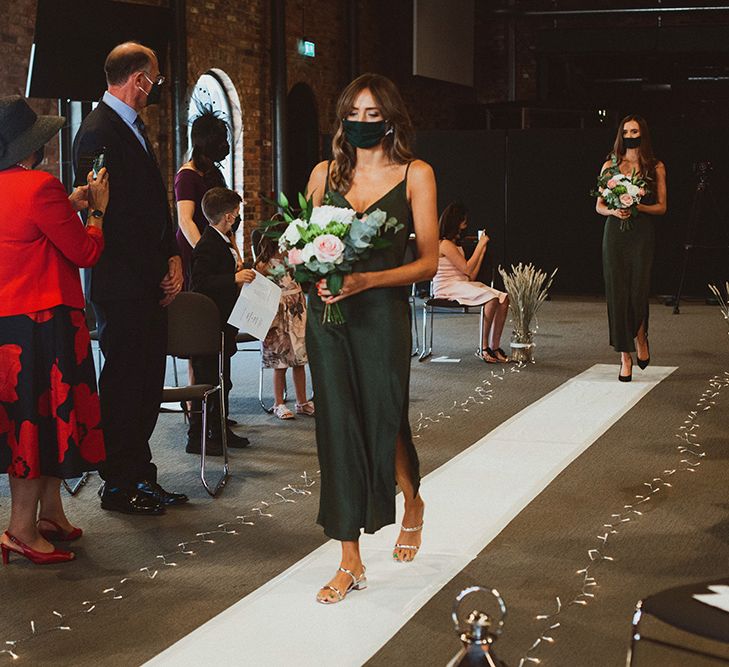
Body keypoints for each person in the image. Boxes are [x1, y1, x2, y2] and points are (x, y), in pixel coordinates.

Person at [305, 73, 438, 604]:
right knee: (338, 426)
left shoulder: (416, 174)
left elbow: (427, 261)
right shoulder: (322, 174)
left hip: (381, 315)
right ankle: (349, 558)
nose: (362, 123)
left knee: (385, 417)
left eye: (372, 114)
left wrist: (366, 279)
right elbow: (307, 242)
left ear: (391, 119)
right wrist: (308, 271)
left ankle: (412, 496)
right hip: (329, 320)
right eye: (353, 114)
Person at [73, 42, 188, 515]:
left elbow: (153, 207)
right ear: (138, 78)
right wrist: (151, 273)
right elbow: (108, 219)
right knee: (123, 386)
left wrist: (173, 258)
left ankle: (142, 475)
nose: (156, 88)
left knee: (145, 385)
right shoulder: (98, 131)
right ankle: (118, 483)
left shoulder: (134, 127)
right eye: (155, 79)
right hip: (122, 285)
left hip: (148, 280)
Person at [0, 95, 108, 564]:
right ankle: (20, 529)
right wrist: (96, 210)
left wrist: (68, 204)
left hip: (10, 326)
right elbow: (85, 252)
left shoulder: (20, 189)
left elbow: (27, 231)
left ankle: (50, 514)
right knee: (39, 425)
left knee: (31, 422)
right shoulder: (39, 187)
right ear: (31, 145)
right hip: (44, 323)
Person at [595, 115, 667, 382]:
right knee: (617, 293)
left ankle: (640, 337)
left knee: (638, 290)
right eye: (625, 131)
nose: (630, 135)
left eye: (634, 130)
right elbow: (599, 205)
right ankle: (624, 356)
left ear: (642, 133)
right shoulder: (610, 166)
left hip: (642, 235)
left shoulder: (655, 166)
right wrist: (615, 210)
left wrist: (637, 206)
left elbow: (662, 206)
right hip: (615, 234)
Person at [189, 188, 255, 453]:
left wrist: (235, 271)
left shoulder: (221, 240)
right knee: (210, 380)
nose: (238, 218)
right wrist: (233, 279)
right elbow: (200, 282)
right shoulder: (207, 244)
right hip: (209, 325)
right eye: (237, 214)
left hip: (224, 322)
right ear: (228, 216)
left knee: (223, 379)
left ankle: (218, 427)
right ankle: (201, 436)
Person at [432, 202, 510, 363]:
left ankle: (494, 346)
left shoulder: (454, 244)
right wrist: (480, 245)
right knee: (491, 298)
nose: (465, 224)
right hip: (447, 287)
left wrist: (482, 250)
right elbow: (467, 268)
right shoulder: (445, 244)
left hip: (461, 283)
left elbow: (471, 275)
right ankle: (484, 347)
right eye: (463, 220)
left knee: (503, 298)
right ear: (456, 221)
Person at [254, 225, 314, 420]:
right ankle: (278, 402)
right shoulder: (264, 264)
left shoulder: (294, 259)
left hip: (296, 312)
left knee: (299, 360)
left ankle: (302, 401)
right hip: (276, 316)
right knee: (280, 361)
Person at [175, 112, 231, 289]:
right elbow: (185, 220)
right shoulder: (186, 176)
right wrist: (206, 254)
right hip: (195, 246)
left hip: (215, 246)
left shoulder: (214, 174)